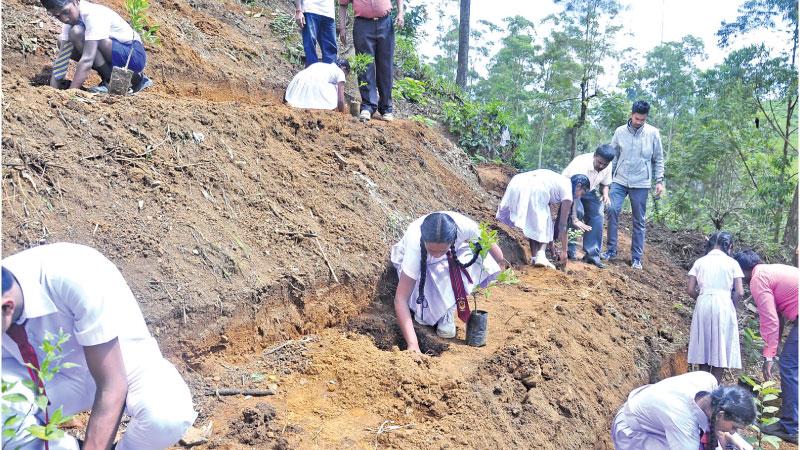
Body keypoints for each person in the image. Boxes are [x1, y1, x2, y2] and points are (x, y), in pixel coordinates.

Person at [1, 243, 196, 450]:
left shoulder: (71, 274)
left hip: (121, 360)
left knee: (167, 416)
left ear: (7, 306)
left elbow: (113, 384)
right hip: (50, 376)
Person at [390, 212, 504, 350]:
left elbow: (493, 250)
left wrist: (499, 267)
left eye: (441, 250)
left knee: (485, 261)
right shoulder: (414, 246)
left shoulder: (465, 226)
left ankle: (448, 309)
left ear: (453, 239)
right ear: (424, 241)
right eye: (432, 250)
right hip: (422, 263)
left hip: (452, 256)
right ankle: (438, 312)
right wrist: (413, 345)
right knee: (425, 308)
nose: (437, 255)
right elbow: (400, 299)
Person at [733, 249, 798, 444]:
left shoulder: (758, 279)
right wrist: (774, 347)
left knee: (788, 366)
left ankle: (791, 427)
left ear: (742, 270)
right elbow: (778, 316)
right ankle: (789, 422)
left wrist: (768, 356)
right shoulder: (770, 271)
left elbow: (769, 319)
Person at [611, 371, 756, 450]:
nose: (732, 432)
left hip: (650, 410)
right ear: (721, 415)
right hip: (632, 431)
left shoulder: (708, 381)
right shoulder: (682, 423)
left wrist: (733, 439)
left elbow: (714, 421)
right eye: (734, 428)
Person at [602, 100, 665, 269]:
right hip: (620, 180)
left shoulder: (653, 133)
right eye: (637, 118)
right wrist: (606, 181)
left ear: (646, 118)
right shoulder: (620, 132)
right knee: (612, 209)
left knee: (639, 220)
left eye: (642, 120)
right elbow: (611, 156)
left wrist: (659, 181)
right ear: (631, 115)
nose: (639, 122)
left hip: (642, 183)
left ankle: (636, 257)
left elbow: (658, 158)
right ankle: (611, 250)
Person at [43, 0, 152, 93]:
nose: (64, 19)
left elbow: (87, 60)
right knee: (63, 40)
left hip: (133, 55)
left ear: (76, 1)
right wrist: (53, 91)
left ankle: (133, 80)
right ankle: (109, 79)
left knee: (80, 34)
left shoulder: (92, 14)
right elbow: (62, 58)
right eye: (58, 16)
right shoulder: (70, 22)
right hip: (113, 52)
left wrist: (71, 93)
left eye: (66, 12)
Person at [496, 170, 589, 269]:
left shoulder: (560, 181)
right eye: (582, 193)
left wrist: (551, 243)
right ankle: (540, 255)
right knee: (546, 219)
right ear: (578, 186)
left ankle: (535, 257)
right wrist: (564, 251)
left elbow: (536, 223)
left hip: (518, 182)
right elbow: (562, 225)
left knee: (534, 221)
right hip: (534, 188)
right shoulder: (568, 193)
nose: (579, 196)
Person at [686, 232, 745, 383]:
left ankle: (702, 389)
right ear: (729, 246)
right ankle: (715, 391)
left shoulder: (700, 262)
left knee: (703, 346)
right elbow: (739, 292)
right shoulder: (732, 263)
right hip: (724, 303)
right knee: (721, 349)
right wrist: (731, 305)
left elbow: (690, 290)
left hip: (703, 303)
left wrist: (701, 298)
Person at [337, 0, 403, 122]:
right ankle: (367, 106)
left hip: (385, 23)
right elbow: (343, 5)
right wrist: (342, 28)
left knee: (385, 67)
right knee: (365, 65)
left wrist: (400, 13)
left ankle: (386, 108)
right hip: (362, 25)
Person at [561, 143, 615, 268]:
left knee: (598, 214)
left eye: (604, 164)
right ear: (594, 156)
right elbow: (574, 193)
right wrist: (575, 217)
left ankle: (592, 255)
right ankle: (569, 250)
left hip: (588, 190)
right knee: (578, 211)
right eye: (599, 162)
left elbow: (605, 183)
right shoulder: (581, 164)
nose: (601, 166)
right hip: (570, 187)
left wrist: (605, 194)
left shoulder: (608, 165)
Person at [284, 59, 350, 112]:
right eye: (346, 74)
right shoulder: (340, 72)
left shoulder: (320, 65)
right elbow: (341, 99)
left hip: (295, 86)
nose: (345, 76)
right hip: (312, 84)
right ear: (343, 68)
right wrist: (342, 112)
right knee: (335, 87)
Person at [294, 0, 337, 66]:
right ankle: (311, 72)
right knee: (310, 45)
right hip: (310, 8)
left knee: (330, 50)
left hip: (329, 13)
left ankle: (330, 74)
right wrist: (298, 10)